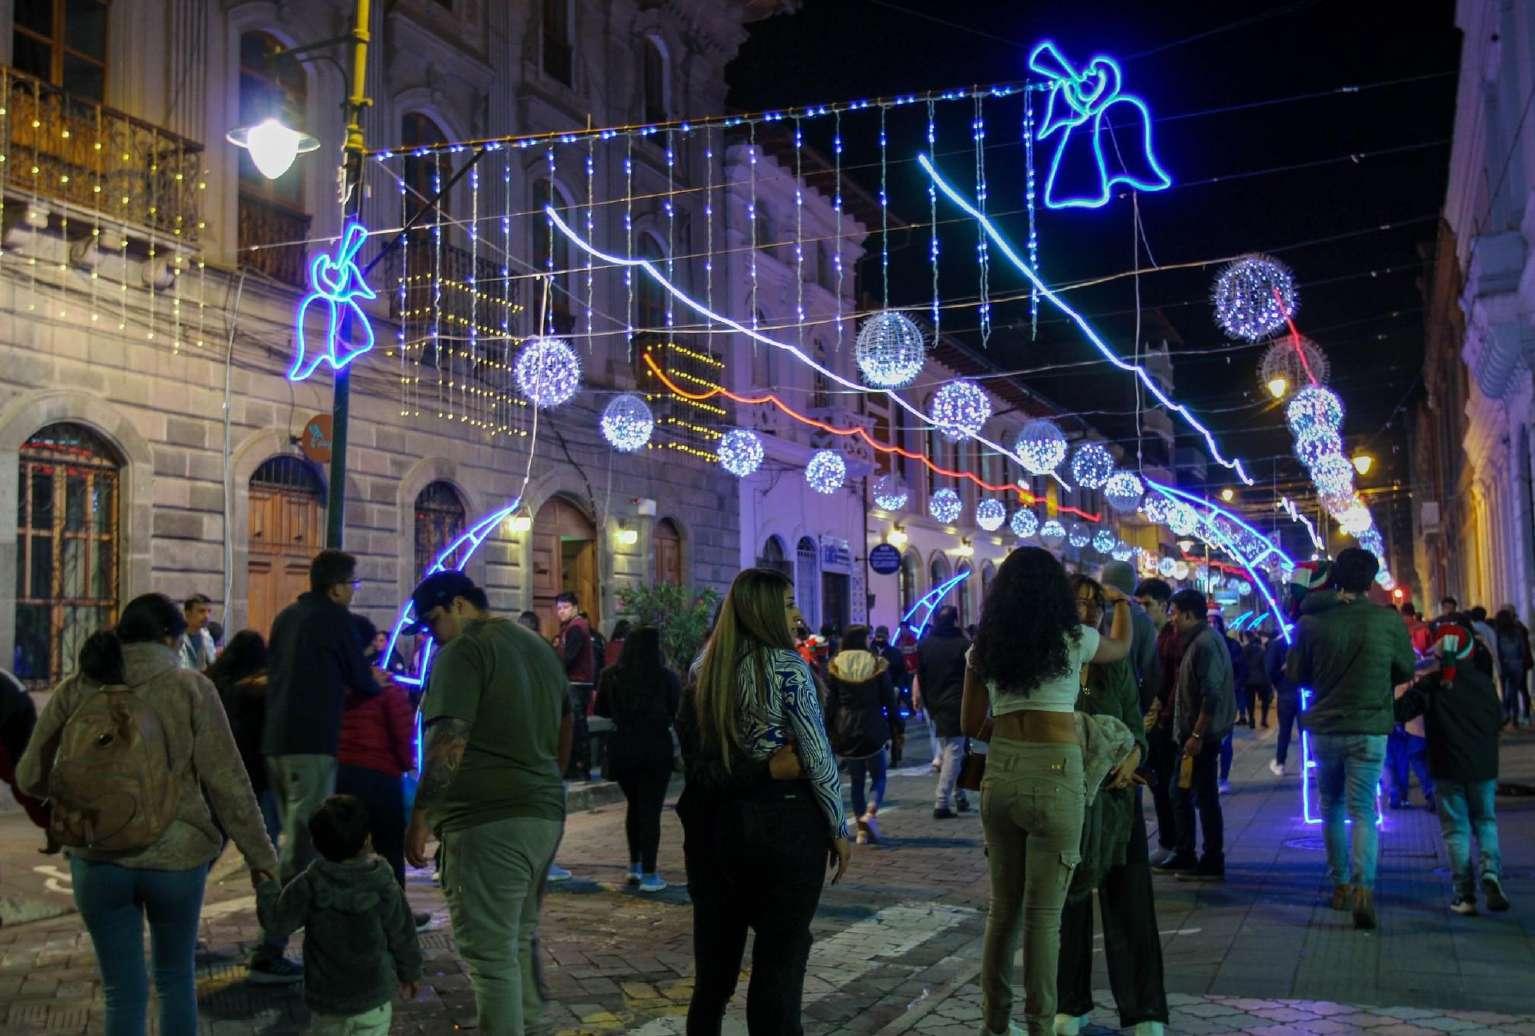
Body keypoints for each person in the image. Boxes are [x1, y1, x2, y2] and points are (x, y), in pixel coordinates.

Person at [17, 595, 279, 1032]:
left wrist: (78, 793)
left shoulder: (80, 686)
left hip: (98, 857)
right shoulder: (191, 688)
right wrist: (261, 859)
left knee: (121, 992)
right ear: (170, 638)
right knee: (175, 980)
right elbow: (228, 784)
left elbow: (28, 776)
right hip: (176, 857)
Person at [962, 547, 1135, 1036]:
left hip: (1001, 773)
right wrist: (1121, 603)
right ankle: (1040, 1026)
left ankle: (995, 1025)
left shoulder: (985, 647)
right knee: (1043, 917)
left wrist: (1011, 728)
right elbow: (1121, 648)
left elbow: (970, 723)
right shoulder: (1073, 637)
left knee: (1003, 911)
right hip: (1056, 772)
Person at [676, 567, 850, 1034]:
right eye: (789, 604)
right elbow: (816, 754)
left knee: (713, 977)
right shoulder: (788, 667)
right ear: (766, 611)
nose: (797, 614)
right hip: (785, 827)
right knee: (779, 969)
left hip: (717, 832)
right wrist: (838, 826)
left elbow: (696, 761)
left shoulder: (703, 669)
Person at [404, 571, 570, 1034]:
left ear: (459, 605)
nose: (433, 636)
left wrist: (421, 817)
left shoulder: (464, 651)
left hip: (486, 820)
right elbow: (566, 726)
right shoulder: (536, 645)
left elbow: (447, 741)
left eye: (433, 622)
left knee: (491, 956)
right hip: (541, 812)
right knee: (516, 940)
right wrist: (545, 779)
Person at [259, 549, 386, 982]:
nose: (353, 592)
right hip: (310, 742)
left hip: (276, 741)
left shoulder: (286, 617)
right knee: (301, 849)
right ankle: (270, 948)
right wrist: (375, 680)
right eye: (352, 584)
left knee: (291, 842)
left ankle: (296, 934)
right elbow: (361, 680)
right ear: (335, 588)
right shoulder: (336, 619)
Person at [1056, 576, 1166, 1036]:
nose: (1086, 612)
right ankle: (1070, 1004)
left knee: (1130, 902)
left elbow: (1135, 726)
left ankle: (1143, 1011)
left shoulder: (1115, 664)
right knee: (1068, 904)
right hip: (1067, 798)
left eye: (1094, 605)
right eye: (1077, 603)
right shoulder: (1051, 660)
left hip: (1116, 799)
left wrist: (1135, 755)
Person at [1287, 547, 1415, 930]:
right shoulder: (1387, 620)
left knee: (1331, 805)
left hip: (1326, 727)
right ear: (1371, 581)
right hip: (1370, 727)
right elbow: (1405, 668)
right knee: (1364, 810)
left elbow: (1296, 675)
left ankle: (1340, 884)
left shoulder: (1311, 623)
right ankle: (1364, 888)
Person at [257, 795, 423, 1035]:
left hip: (328, 1003)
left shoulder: (310, 883)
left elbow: (277, 923)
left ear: (315, 844)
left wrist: (266, 888)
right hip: (373, 1001)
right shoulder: (381, 880)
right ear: (367, 839)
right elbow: (402, 931)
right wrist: (411, 973)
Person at [1395, 625, 1510, 915]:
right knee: (1485, 822)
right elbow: (1499, 718)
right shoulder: (1483, 682)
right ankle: (1490, 873)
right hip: (1483, 766)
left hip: (1446, 766)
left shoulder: (1432, 684)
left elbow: (1401, 712)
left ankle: (1464, 894)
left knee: (1456, 830)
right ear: (1470, 651)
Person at [337, 615, 420, 900]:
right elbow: (401, 730)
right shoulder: (387, 687)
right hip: (380, 776)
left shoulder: (334, 686)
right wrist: (405, 764)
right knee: (389, 848)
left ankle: (348, 906)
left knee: (345, 847)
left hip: (342, 774)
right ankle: (393, 909)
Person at [593, 625, 681, 892]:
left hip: (624, 747)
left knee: (634, 806)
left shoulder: (611, 676)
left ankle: (635, 866)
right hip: (655, 748)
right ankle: (651, 874)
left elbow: (601, 710)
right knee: (651, 810)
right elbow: (676, 709)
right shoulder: (665, 677)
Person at [1156, 589, 1235, 882]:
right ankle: (1189, 852)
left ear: (1189, 614)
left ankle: (1207, 858)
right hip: (1195, 735)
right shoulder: (1198, 641)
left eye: (1174, 613)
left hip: (1201, 738)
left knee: (1197, 796)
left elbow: (1210, 694)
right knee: (1186, 793)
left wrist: (1197, 735)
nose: (1171, 619)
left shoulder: (1204, 643)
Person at [825, 625, 901, 845]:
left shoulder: (836, 664)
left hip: (846, 727)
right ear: (862, 640)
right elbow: (888, 698)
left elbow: (831, 702)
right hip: (872, 724)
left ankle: (861, 832)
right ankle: (871, 811)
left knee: (856, 781)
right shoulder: (876, 663)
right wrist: (897, 723)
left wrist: (828, 727)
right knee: (879, 776)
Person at [206, 631, 280, 848]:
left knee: (216, 832)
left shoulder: (213, 681)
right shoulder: (259, 689)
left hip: (218, 765)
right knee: (266, 833)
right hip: (255, 768)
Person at [1134, 578, 1180, 866]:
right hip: (1148, 721)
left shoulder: (1171, 638)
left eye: (1147, 605)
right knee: (1158, 784)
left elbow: (1170, 683)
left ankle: (1172, 843)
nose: (1142, 610)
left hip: (1164, 722)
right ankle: (1170, 842)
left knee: (1165, 785)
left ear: (1163, 605)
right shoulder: (1147, 635)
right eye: (1138, 605)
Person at [915, 605, 971, 818]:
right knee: (955, 750)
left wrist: (927, 703)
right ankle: (942, 802)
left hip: (935, 702)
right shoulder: (963, 644)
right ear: (955, 620)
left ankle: (960, 794)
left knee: (952, 749)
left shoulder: (926, 644)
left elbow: (921, 676)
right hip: (957, 702)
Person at [554, 592, 597, 781]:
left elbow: (569, 658)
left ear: (574, 608)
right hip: (576, 683)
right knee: (574, 726)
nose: (561, 611)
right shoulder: (571, 627)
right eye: (559, 608)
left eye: (565, 607)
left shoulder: (576, 627)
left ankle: (581, 769)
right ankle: (576, 768)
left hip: (577, 684)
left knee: (576, 727)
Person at [1493, 608, 1531, 727]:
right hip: (1517, 663)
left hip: (1504, 664)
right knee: (1515, 690)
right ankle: (1515, 716)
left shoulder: (1497, 633)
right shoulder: (1517, 631)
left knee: (1506, 691)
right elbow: (1523, 649)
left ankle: (1507, 714)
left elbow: (1497, 650)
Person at [179, 593, 216, 671]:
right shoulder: (176, 638)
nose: (207, 616)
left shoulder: (207, 638)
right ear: (187, 614)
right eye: (201, 611)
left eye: (209, 611)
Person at [1241, 632, 1269, 728]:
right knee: (1265, 700)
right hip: (1261, 679)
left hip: (1248, 679)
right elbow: (1265, 665)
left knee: (1250, 701)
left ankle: (1251, 720)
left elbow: (1242, 665)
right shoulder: (1262, 650)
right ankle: (1263, 720)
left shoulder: (1244, 649)